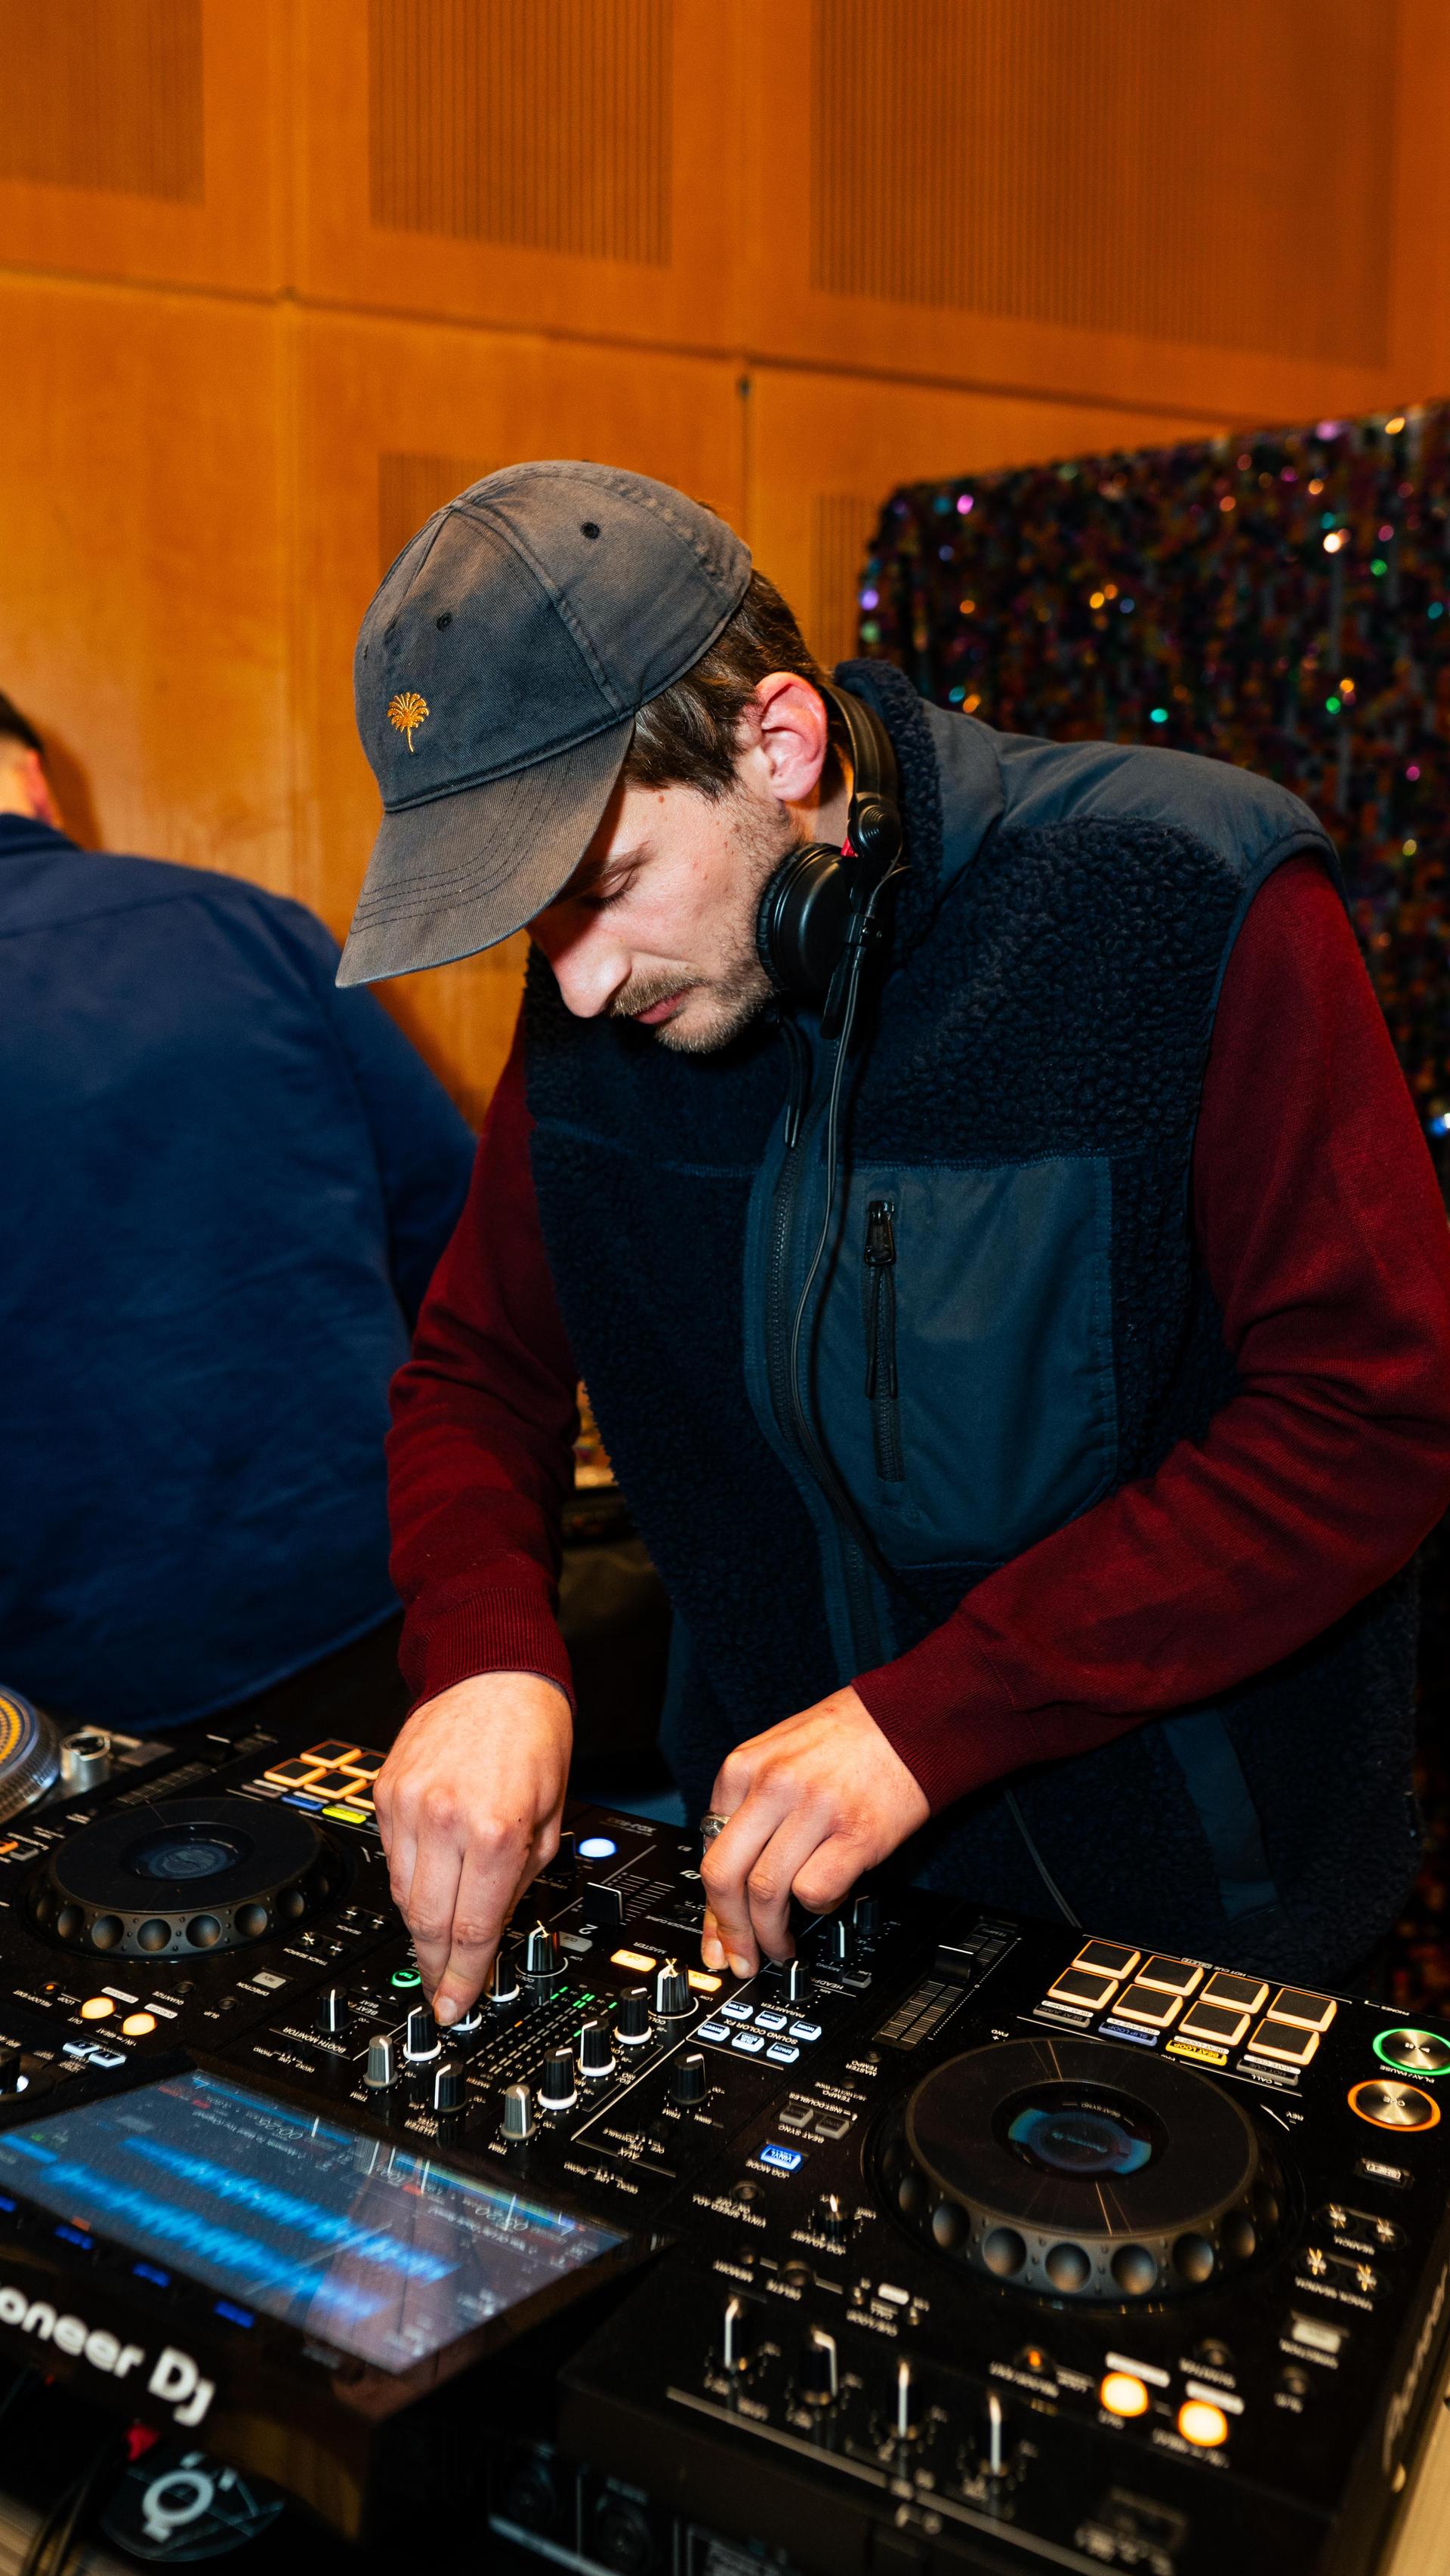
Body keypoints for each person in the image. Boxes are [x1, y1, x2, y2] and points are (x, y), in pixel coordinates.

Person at [336, 462, 1450, 2028]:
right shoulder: (604, 996)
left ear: (780, 744)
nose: (575, 989)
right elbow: (476, 1370)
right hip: (787, 1901)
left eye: (605, 886)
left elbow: (1375, 1414)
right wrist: (482, 1653)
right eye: (536, 925)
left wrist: (936, 1714)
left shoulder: (1186, 891)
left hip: (1203, 1926)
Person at [0, 691, 474, 1738]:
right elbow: (447, 1226)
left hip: (59, 1668)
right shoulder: (251, 925)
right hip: (354, 1580)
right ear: (37, 780)